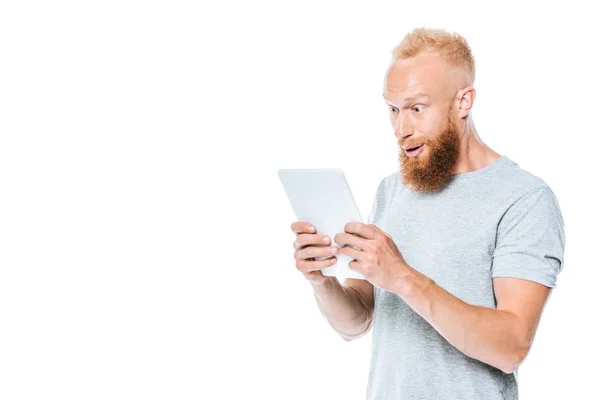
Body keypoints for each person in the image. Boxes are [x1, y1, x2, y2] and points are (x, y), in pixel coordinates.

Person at [290, 27, 566, 399]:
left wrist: (402, 277)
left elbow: (511, 348)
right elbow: (356, 322)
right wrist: (322, 281)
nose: (401, 129)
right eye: (393, 109)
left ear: (463, 102)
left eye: (417, 108)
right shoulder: (392, 190)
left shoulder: (524, 198)